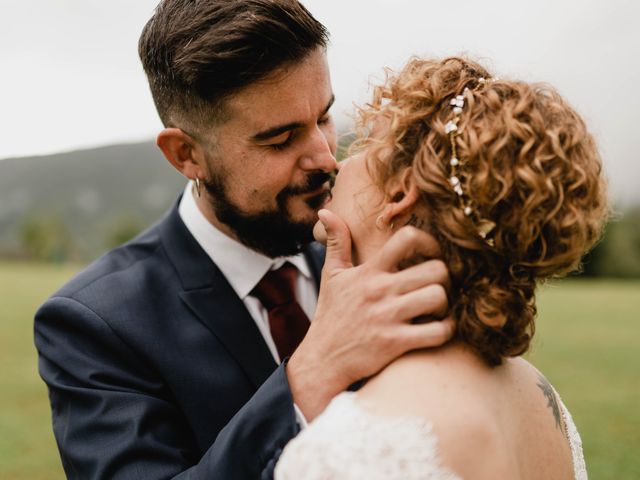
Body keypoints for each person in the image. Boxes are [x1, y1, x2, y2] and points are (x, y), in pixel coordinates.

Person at [34, 2, 454, 479]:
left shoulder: (376, 252)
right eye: (280, 140)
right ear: (186, 154)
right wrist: (312, 373)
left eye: (324, 117)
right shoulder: (95, 325)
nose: (325, 157)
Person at [275, 56, 608, 479]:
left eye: (366, 147)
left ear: (401, 192)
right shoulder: (542, 399)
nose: (340, 164)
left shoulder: (356, 446)